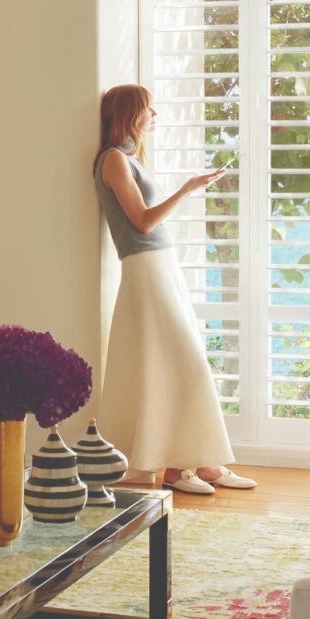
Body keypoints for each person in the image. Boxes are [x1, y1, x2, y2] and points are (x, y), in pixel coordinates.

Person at [93, 84, 255, 493]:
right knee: (184, 361)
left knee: (176, 365)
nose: (155, 115)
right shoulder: (113, 160)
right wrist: (187, 189)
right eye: (149, 108)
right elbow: (143, 221)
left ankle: (201, 464)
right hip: (144, 267)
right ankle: (180, 468)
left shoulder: (131, 159)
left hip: (161, 264)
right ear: (130, 113)